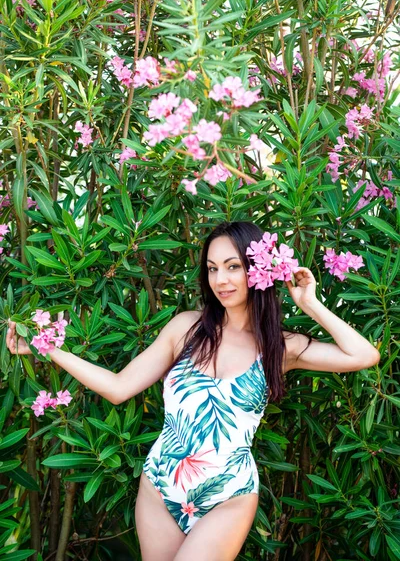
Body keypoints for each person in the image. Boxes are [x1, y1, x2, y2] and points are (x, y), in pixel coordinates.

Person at [6, 221, 380, 561]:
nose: (221, 279)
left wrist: (309, 304)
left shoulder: (282, 347)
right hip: (159, 486)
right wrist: (50, 348)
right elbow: (119, 388)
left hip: (227, 497)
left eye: (233, 266)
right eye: (213, 268)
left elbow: (364, 355)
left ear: (258, 268)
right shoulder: (187, 328)